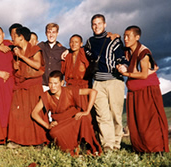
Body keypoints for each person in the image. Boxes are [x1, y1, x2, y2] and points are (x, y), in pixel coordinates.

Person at [117, 25, 169, 153]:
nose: (125, 38)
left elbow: (144, 74)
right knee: (137, 122)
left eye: (128, 36)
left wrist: (126, 74)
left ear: (137, 37)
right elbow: (116, 39)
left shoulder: (143, 53)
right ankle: (141, 149)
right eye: (124, 35)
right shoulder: (128, 50)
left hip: (148, 90)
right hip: (134, 91)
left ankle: (157, 150)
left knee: (150, 122)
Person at [31, 70, 102, 156]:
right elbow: (34, 113)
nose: (52, 86)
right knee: (54, 132)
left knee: (84, 118)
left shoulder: (69, 91)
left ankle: (85, 146)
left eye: (55, 83)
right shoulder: (46, 96)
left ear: (62, 83)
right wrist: (47, 125)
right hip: (60, 122)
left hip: (73, 118)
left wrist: (87, 111)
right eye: (50, 83)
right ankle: (71, 151)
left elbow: (93, 92)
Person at [85, 14, 128, 152]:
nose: (96, 26)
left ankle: (116, 143)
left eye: (99, 23)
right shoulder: (90, 42)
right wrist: (66, 50)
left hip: (114, 81)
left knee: (115, 113)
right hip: (97, 82)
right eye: (94, 24)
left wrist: (123, 66)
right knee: (102, 115)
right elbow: (81, 50)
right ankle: (107, 145)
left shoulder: (113, 40)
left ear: (105, 25)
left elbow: (121, 56)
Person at [7, 26, 48, 148]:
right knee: (19, 113)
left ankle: (39, 140)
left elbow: (37, 65)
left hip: (33, 85)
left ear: (21, 37)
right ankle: (17, 140)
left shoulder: (35, 49)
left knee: (35, 111)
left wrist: (22, 56)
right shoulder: (15, 51)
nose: (12, 38)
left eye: (14, 36)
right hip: (20, 85)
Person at [38, 23, 67, 91]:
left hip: (57, 85)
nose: (51, 35)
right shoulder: (41, 46)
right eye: (49, 32)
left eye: (53, 32)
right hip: (43, 84)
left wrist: (68, 50)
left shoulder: (62, 49)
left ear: (57, 33)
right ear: (45, 33)